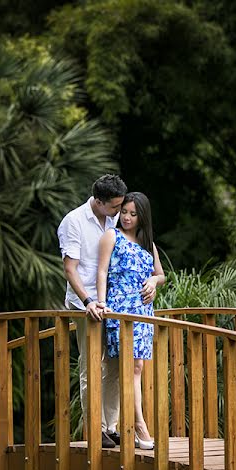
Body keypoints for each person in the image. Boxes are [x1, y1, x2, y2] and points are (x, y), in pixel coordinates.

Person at [57, 174, 128, 448]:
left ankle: (112, 426)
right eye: (114, 206)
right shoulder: (73, 222)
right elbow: (70, 269)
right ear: (98, 201)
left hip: (113, 303)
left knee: (114, 367)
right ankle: (95, 427)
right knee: (91, 366)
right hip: (86, 303)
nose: (119, 212)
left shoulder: (112, 221)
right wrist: (88, 301)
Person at [96, 192, 165, 450]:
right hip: (120, 310)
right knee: (131, 366)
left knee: (137, 367)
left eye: (133, 214)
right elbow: (101, 271)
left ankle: (132, 426)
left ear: (142, 216)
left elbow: (161, 275)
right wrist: (102, 303)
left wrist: (153, 281)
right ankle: (139, 425)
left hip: (144, 311)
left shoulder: (148, 244)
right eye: (124, 211)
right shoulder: (111, 237)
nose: (126, 217)